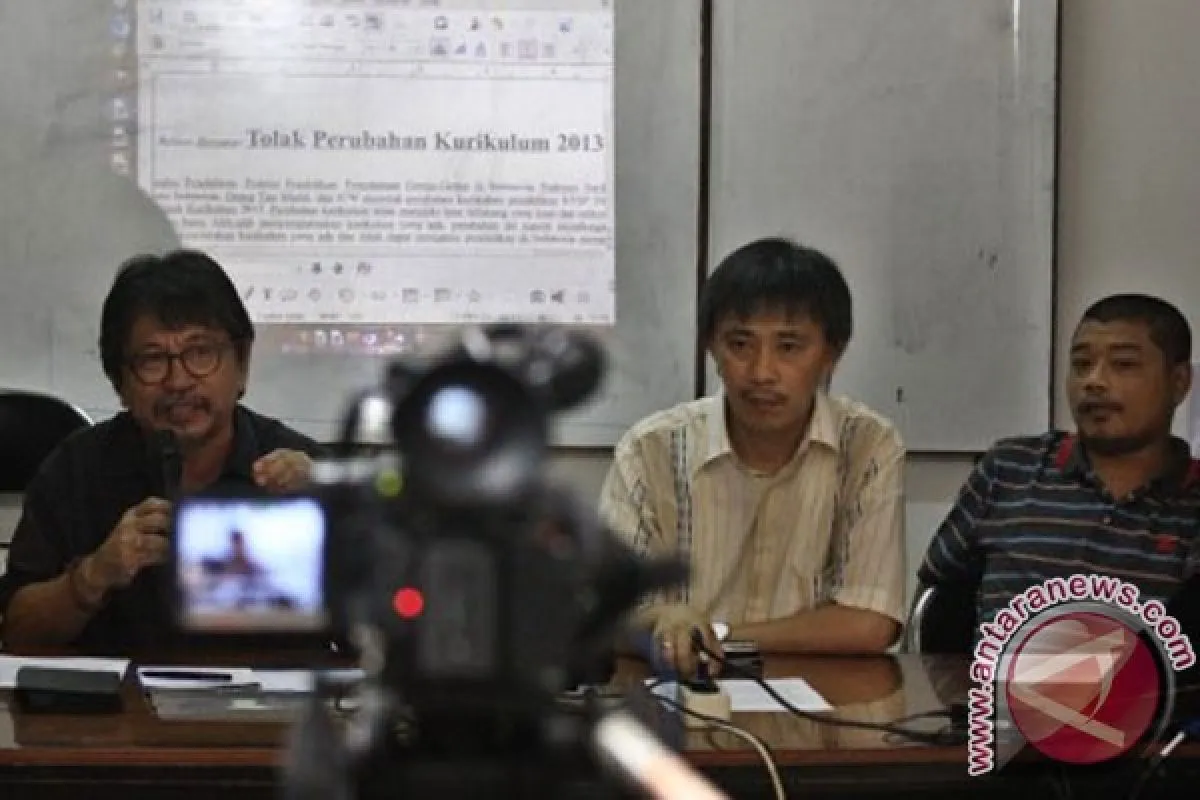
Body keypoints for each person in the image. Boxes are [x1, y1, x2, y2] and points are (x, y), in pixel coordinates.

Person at [600, 238, 906, 677]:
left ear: (832, 354)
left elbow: (869, 623)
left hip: (822, 700)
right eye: (740, 344)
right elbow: (607, 615)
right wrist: (660, 620)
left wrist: (715, 635)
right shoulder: (649, 450)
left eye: (789, 346)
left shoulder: (868, 446)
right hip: (679, 692)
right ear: (712, 348)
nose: (762, 372)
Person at [0, 250, 323, 652]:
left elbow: (377, 632)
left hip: (266, 694)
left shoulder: (303, 471)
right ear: (120, 383)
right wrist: (92, 576)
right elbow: (16, 632)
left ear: (241, 365)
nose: (178, 381)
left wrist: (335, 521)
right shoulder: (76, 470)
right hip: (115, 695)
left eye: (200, 353)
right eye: (153, 360)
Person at [919, 294, 1200, 630]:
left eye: (1123, 364)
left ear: (1179, 382)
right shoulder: (1009, 470)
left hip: (1142, 666)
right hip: (1004, 664)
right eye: (1081, 364)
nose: (1094, 381)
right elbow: (937, 595)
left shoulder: (1192, 499)